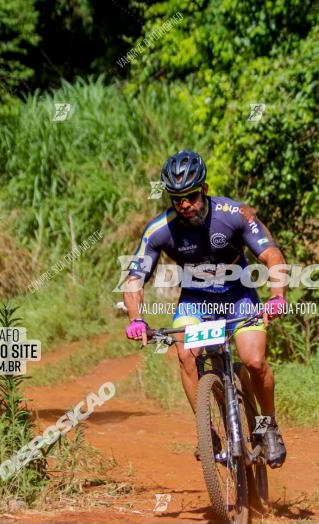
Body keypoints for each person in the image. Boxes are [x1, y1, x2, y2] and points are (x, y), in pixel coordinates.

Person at [122, 150, 288, 468]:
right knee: (185, 352)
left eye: (192, 196)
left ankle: (269, 427)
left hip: (238, 295)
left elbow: (272, 256)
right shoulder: (160, 229)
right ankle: (207, 432)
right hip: (196, 300)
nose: (185, 204)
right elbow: (134, 277)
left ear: (205, 190)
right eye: (177, 198)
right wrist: (136, 318)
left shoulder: (235, 213)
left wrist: (276, 296)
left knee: (254, 362)